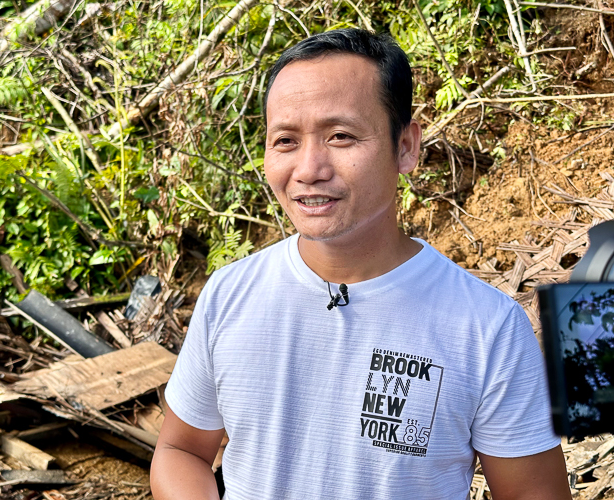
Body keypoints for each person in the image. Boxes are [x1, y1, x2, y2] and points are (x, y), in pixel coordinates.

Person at [150, 28, 571, 499]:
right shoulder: (230, 295)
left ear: (406, 147)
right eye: (285, 140)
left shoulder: (486, 328)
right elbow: (181, 451)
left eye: (341, 136)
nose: (309, 169)